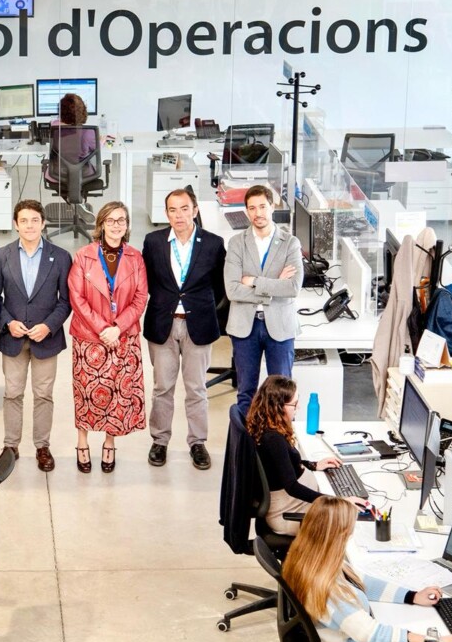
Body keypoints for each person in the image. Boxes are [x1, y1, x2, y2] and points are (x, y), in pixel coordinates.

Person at [283, 496, 452, 642]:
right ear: (339, 536)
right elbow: (372, 633)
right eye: (349, 531)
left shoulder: (310, 555)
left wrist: (411, 596)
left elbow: (359, 580)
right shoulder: (328, 589)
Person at [142, 187, 226, 470]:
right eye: (173, 210)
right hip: (163, 323)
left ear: (195, 210)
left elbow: (219, 287)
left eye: (184, 208)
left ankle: (198, 443)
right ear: (166, 214)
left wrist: (199, 307)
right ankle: (160, 441)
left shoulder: (213, 244)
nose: (179, 215)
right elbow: (148, 282)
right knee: (162, 387)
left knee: (196, 388)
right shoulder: (153, 242)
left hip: (198, 324)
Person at [67, 201, 148, 473]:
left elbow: (140, 299)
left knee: (116, 392)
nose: (116, 225)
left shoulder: (136, 258)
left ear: (127, 226)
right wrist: (103, 328)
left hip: (123, 337)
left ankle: (110, 442)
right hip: (89, 337)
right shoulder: (83, 256)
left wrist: (118, 328)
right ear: (101, 224)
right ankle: (82, 442)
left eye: (122, 220)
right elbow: (76, 297)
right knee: (86, 393)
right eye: (111, 220)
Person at [0, 200, 72, 472]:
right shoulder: (2, 255)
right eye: (23, 220)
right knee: (12, 393)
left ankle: (42, 446)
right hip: (13, 338)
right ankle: (10, 445)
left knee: (43, 395)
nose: (29, 225)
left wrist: (48, 326)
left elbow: (66, 301)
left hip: (45, 339)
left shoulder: (60, 257)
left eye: (34, 220)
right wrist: (7, 323)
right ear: (15, 224)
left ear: (43, 223)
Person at [246, 375, 367, 535]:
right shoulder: (273, 439)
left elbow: (279, 463)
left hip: (294, 503)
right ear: (278, 406)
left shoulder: (264, 425)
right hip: (288, 513)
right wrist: (337, 502)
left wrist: (313, 465)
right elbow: (292, 487)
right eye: (294, 405)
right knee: (354, 523)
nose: (298, 408)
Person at [224, 184, 303, 416]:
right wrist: (273, 285)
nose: (258, 213)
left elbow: (292, 287)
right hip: (245, 326)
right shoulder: (237, 243)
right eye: (252, 208)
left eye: (262, 206)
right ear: (246, 211)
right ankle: (248, 449)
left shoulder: (290, 243)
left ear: (273, 206)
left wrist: (254, 281)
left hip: (280, 326)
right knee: (246, 392)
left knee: (282, 395)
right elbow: (232, 290)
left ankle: (278, 447)